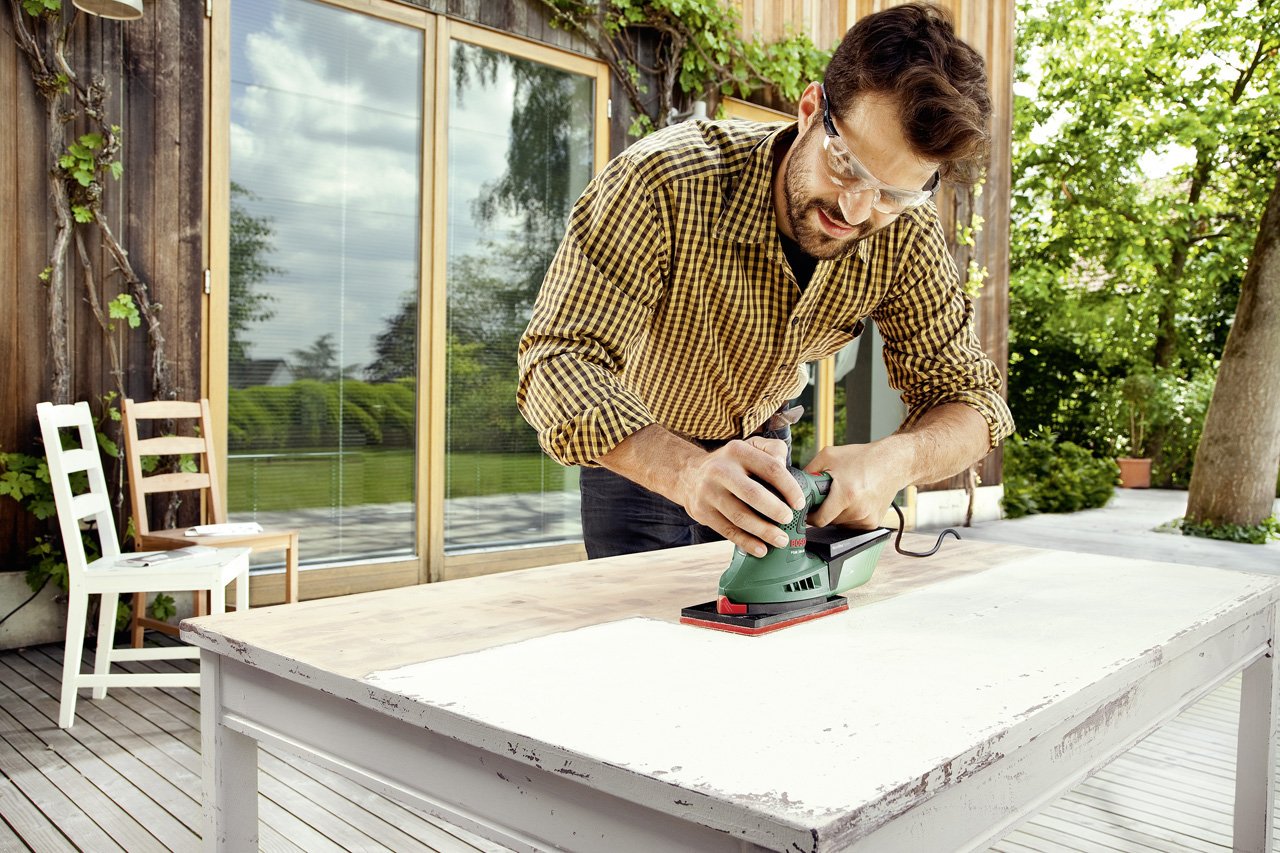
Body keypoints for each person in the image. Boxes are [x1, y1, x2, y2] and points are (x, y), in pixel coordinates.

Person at [517, 2, 1014, 560]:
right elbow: (556, 360)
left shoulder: (907, 232)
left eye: (893, 195)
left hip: (766, 447)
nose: (856, 210)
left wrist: (894, 462)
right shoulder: (663, 181)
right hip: (641, 452)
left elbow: (971, 399)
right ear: (810, 110)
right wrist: (685, 472)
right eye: (847, 166)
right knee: (640, 634)